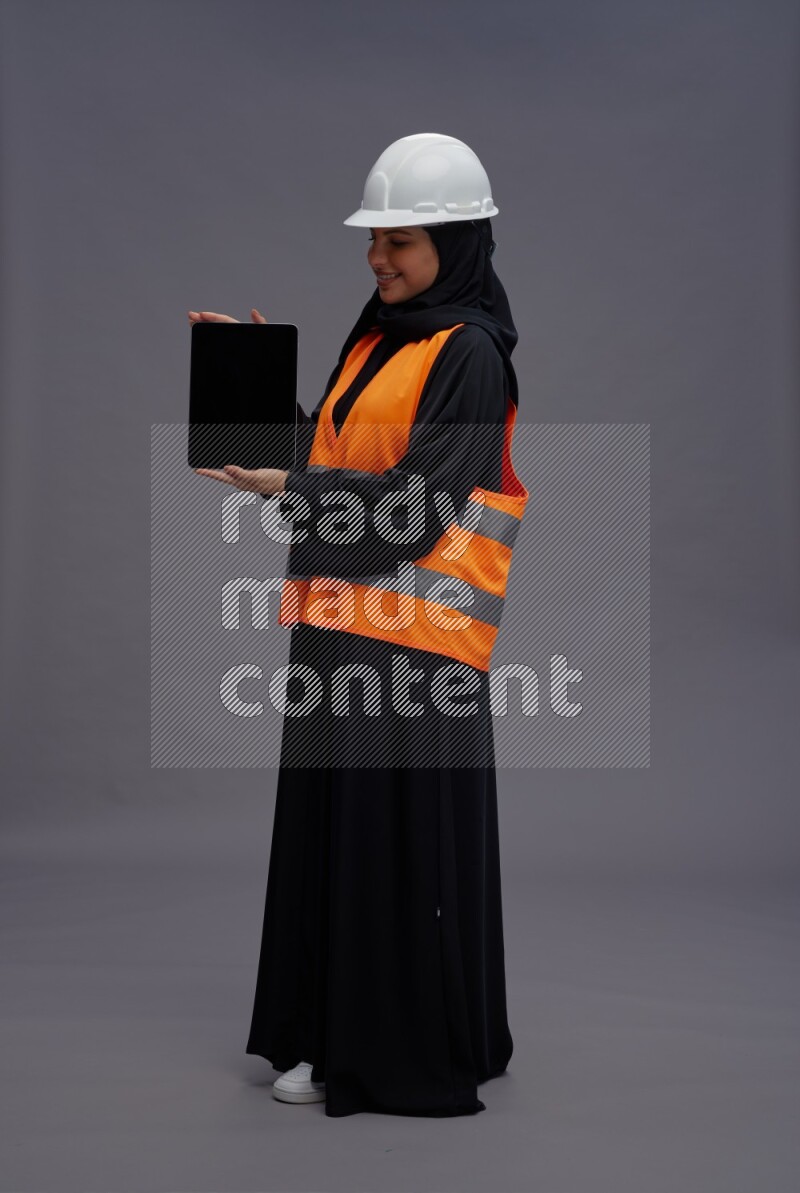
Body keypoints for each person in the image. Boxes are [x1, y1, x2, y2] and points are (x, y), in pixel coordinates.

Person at [189, 132, 528, 1118]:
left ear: (458, 245)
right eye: (374, 240)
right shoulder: (380, 334)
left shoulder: (469, 356)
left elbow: (413, 512)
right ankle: (323, 1037)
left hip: (416, 650)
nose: (379, 260)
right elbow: (348, 455)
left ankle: (391, 1053)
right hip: (336, 625)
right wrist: (258, 399)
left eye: (402, 243)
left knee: (395, 849)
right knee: (334, 836)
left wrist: (287, 486)